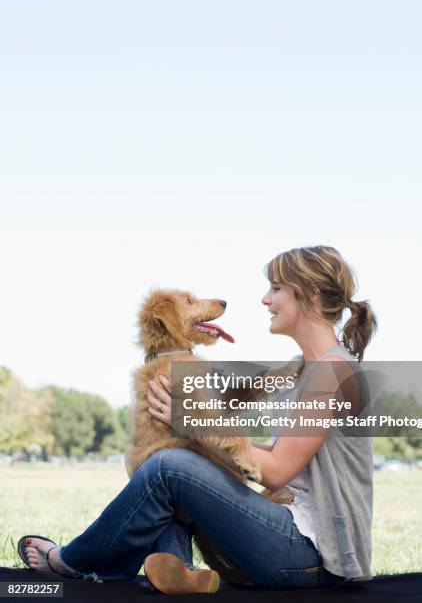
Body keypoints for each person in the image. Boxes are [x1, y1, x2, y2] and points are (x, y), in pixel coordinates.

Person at [18, 245, 377, 593]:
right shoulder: (306, 368)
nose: (265, 300)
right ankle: (176, 567)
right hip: (288, 535)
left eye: (276, 288)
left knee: (168, 466)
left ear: (311, 295)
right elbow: (280, 457)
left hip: (311, 555)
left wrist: (192, 424)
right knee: (178, 458)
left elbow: (278, 470)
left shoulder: (332, 372)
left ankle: (74, 560)